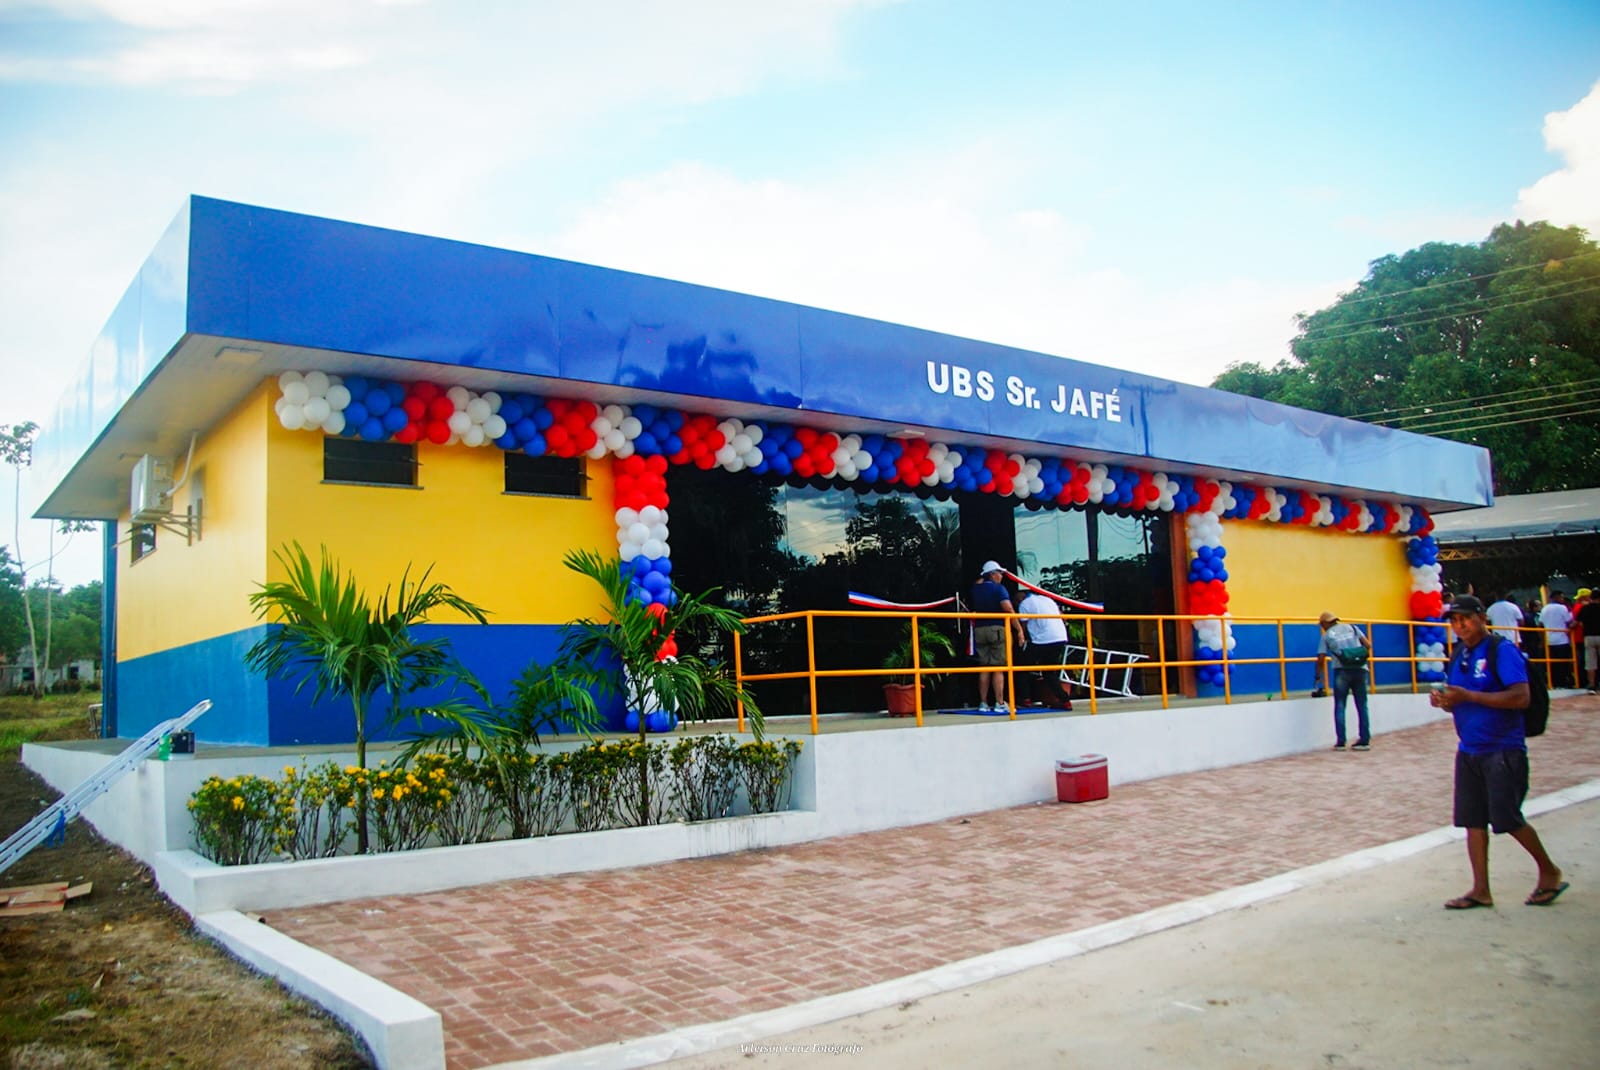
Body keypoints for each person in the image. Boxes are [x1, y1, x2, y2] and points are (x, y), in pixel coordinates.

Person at [1430, 595, 1567, 910]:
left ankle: (1549, 871)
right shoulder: (1459, 654)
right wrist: (1447, 702)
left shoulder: (1501, 650)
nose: (1460, 625)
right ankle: (1480, 889)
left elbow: (1520, 697)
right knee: (1472, 820)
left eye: (1465, 618)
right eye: (1454, 620)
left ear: (1481, 618)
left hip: (1502, 749)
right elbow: (1460, 699)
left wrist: (1469, 696)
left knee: (1508, 818)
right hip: (1469, 750)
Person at [970, 561, 1026, 712]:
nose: (1001, 576)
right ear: (993, 574)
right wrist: (1019, 629)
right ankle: (999, 703)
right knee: (998, 667)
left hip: (980, 630)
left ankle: (983, 703)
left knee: (984, 667)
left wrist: (983, 576)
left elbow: (978, 582)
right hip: (996, 629)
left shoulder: (976, 589)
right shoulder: (999, 589)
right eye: (999, 573)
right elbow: (1008, 608)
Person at [1315, 611, 1372, 750]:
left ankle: (1341, 742)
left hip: (1342, 670)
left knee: (1340, 705)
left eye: (1322, 624)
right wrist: (1356, 655)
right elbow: (1368, 645)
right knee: (1362, 705)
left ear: (1326, 623)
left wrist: (1318, 675)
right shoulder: (1352, 628)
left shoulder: (1327, 636)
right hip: (1361, 669)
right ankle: (1364, 741)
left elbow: (1321, 657)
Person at [1017, 588, 1073, 710]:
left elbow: (1023, 627)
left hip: (1042, 640)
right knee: (1049, 672)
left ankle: (1024, 699)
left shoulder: (1024, 604)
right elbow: (1063, 617)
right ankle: (1065, 700)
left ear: (1021, 596)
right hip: (1060, 637)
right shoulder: (1047, 599)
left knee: (1021, 668)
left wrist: (1020, 639)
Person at [1538, 592, 1573, 688]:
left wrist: (1542, 640)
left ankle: (1553, 682)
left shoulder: (1545, 608)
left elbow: (1540, 624)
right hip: (1562, 639)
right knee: (1563, 663)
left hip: (1549, 640)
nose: (1563, 599)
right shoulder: (1562, 608)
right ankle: (1563, 682)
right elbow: (1569, 621)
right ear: (1557, 597)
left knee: (1552, 664)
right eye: (1561, 597)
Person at [1576, 590, 1600, 693]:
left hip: (1588, 636)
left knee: (1590, 662)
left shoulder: (1585, 608)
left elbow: (1579, 622)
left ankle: (1592, 685)